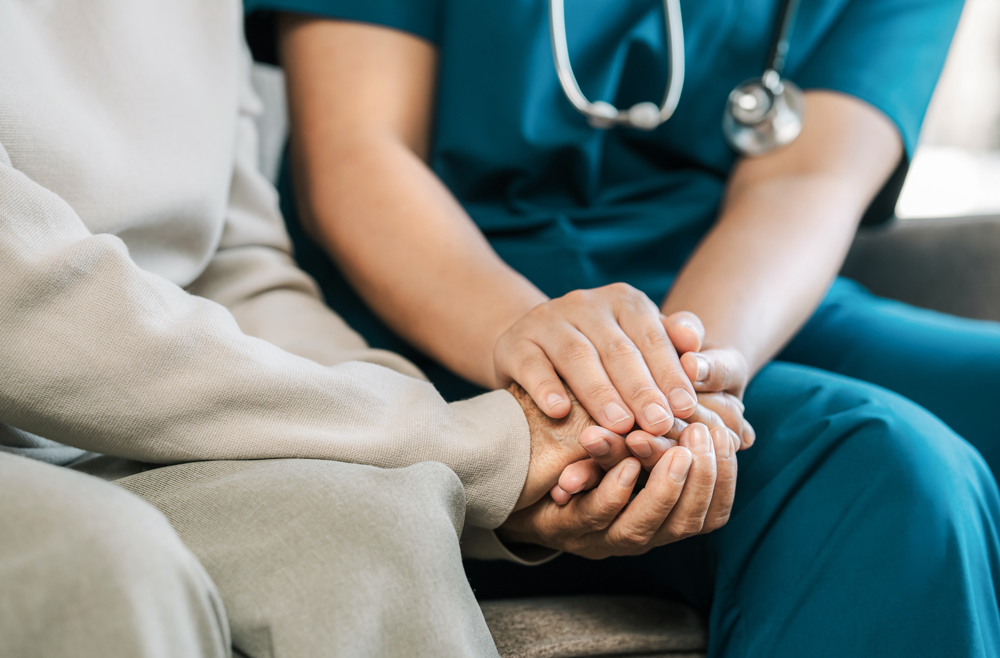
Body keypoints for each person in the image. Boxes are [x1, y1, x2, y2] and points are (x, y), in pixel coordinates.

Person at [243, 0, 1000, 654]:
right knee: (882, 469)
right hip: (447, 306)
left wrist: (683, 373)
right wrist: (552, 347)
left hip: (746, 299)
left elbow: (809, 176)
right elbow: (355, 153)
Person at [0, 1, 744, 656]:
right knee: (102, 560)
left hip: (118, 441)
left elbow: (234, 268)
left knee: (372, 525)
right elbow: (25, 305)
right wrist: (485, 445)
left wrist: (512, 463)